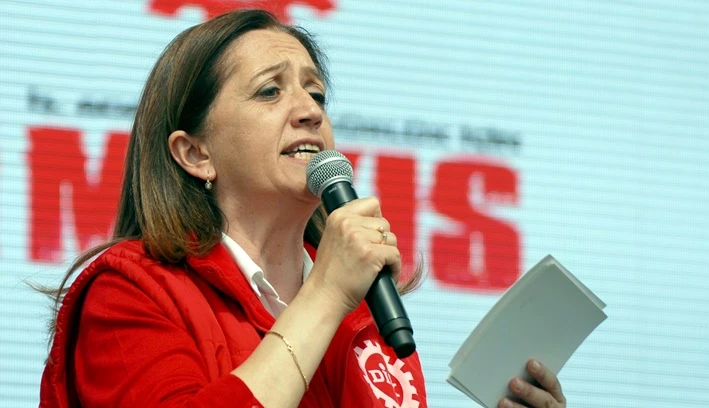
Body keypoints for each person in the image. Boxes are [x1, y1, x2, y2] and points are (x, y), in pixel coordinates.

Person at [39, 9, 566, 408]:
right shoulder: (129, 292)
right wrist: (328, 292)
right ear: (195, 153)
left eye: (317, 94)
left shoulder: (367, 314)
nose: (310, 111)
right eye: (270, 91)